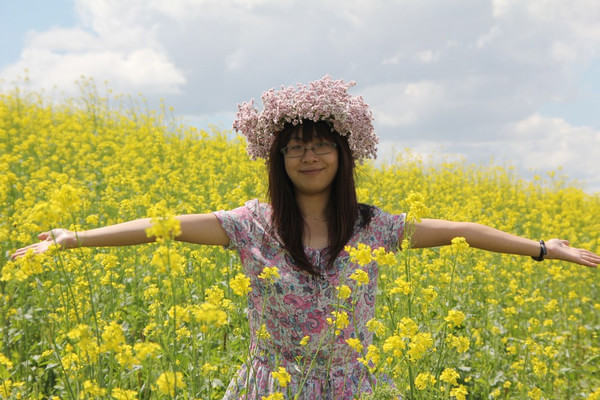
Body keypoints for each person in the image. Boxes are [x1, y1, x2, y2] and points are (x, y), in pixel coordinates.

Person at [11, 76, 599, 399]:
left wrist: (547, 249)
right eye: (295, 146)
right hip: (269, 387)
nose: (309, 154)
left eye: (321, 144)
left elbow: (465, 232)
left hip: (351, 386)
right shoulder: (251, 224)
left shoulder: (374, 228)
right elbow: (156, 228)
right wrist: (71, 238)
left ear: (343, 155)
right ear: (280, 159)